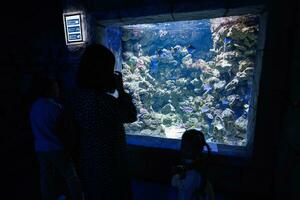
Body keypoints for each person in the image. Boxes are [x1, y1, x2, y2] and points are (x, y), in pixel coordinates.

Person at [74, 43, 137, 200]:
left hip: (90, 161)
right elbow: (130, 115)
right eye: (110, 69)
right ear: (101, 73)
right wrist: (121, 91)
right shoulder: (103, 101)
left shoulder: (79, 97)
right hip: (110, 163)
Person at [30, 77, 82, 200]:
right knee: (71, 176)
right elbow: (64, 129)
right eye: (55, 87)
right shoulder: (55, 107)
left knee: (46, 178)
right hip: (56, 147)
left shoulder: (34, 106)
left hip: (40, 148)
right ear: (49, 89)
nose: (58, 90)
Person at [171, 129, 215, 200]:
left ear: (182, 148)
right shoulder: (200, 168)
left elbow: (177, 186)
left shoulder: (190, 176)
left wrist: (176, 177)